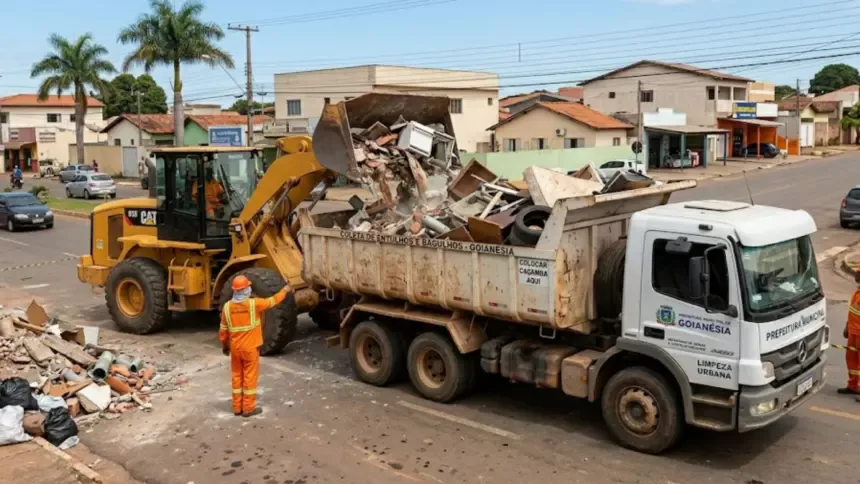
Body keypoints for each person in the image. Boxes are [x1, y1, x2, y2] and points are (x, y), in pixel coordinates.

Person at [219, 275, 290, 417]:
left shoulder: (227, 307)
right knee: (249, 377)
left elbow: (223, 330)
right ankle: (248, 408)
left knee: (236, 376)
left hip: (235, 349)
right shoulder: (254, 304)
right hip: (250, 348)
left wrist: (225, 346)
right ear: (246, 290)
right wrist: (286, 290)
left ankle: (237, 408)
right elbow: (273, 301)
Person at [840, 270, 860, 396]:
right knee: (851, 359)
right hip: (853, 331)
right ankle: (853, 386)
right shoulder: (857, 293)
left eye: (858, 273)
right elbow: (853, 312)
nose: (856, 275)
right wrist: (847, 326)